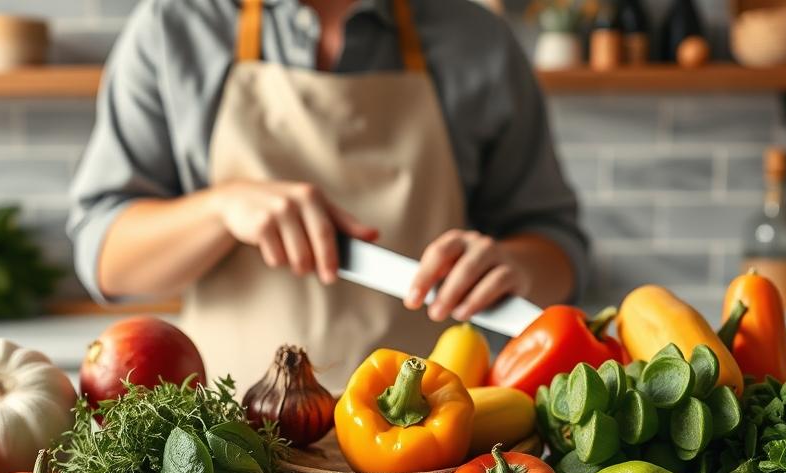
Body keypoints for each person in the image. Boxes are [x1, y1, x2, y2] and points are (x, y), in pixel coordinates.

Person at [69, 0, 588, 389]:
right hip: (225, 449)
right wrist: (220, 208)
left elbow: (560, 249)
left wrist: (515, 267)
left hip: (425, 447)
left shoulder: (478, 40)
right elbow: (104, 255)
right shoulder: (175, 25)